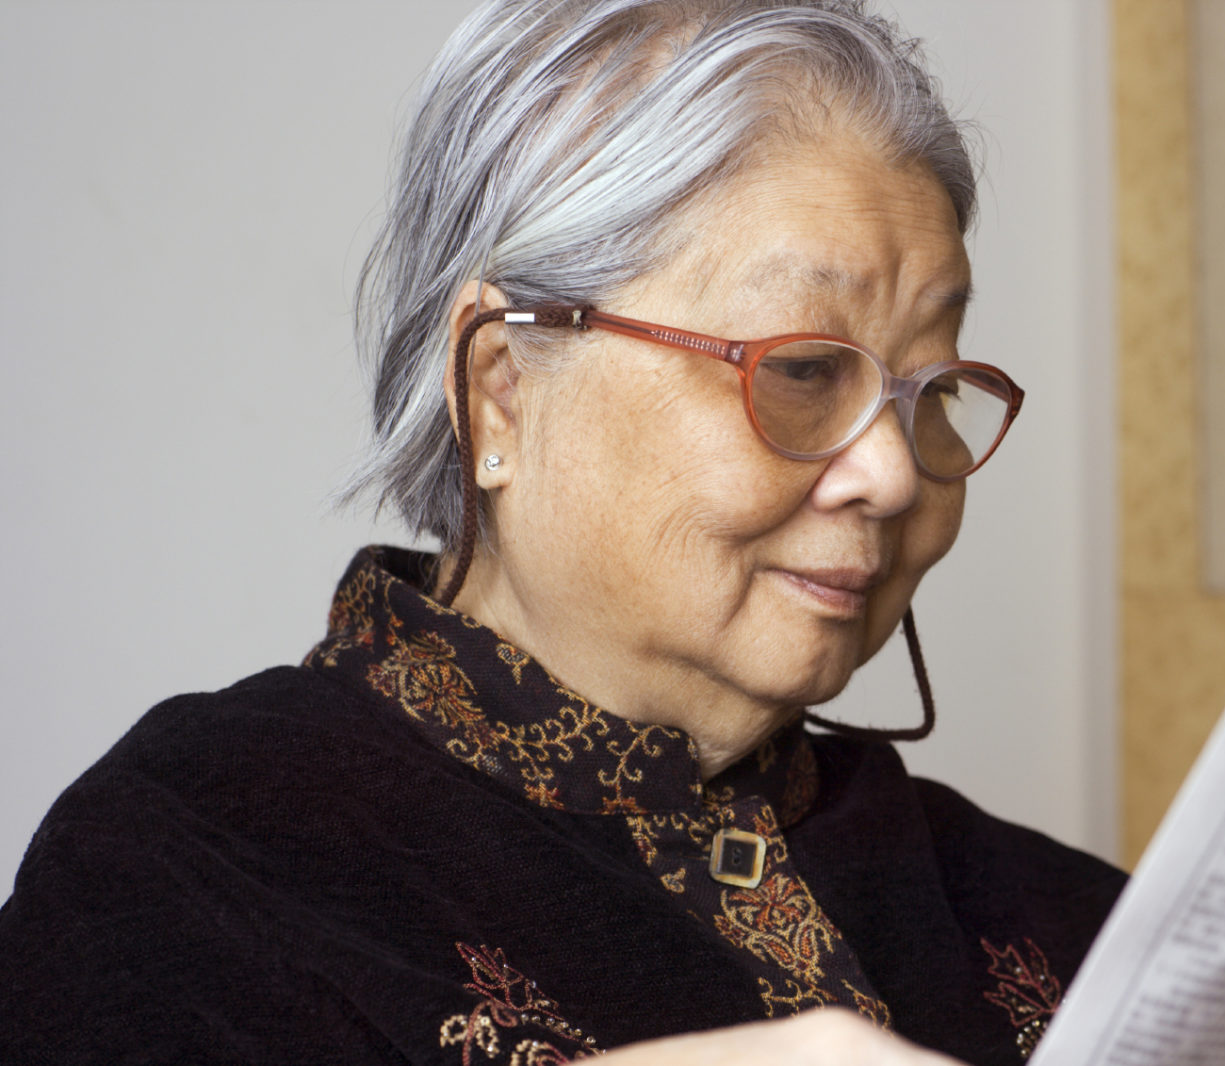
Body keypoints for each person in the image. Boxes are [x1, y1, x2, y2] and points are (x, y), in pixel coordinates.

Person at [0, 1, 1124, 1062]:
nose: (889, 472)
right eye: (800, 372)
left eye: (929, 390)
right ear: (501, 389)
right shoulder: (192, 858)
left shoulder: (1064, 919)